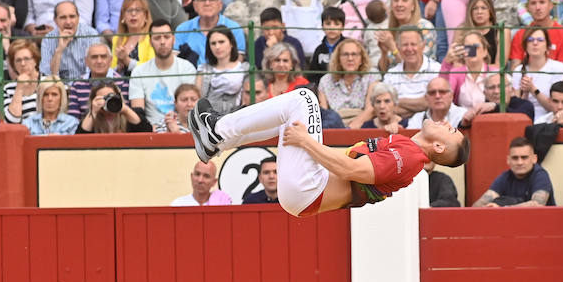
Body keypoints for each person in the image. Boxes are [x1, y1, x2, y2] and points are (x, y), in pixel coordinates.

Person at [188, 86, 468, 215]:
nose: (447, 123)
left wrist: (308, 142)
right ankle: (218, 138)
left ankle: (217, 132)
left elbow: (351, 169)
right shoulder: (407, 150)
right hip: (309, 192)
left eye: (451, 130)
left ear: (440, 146)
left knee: (305, 98)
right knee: (292, 116)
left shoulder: (409, 158)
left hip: (311, 189)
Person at [128, 18, 198, 129]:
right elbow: (138, 112)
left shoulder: (187, 68)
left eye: (166, 37)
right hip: (151, 130)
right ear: (150, 42)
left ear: (173, 39)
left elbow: (190, 107)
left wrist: (175, 127)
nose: (162, 42)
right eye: (157, 38)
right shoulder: (139, 71)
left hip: (182, 128)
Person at [472, 136, 553, 207]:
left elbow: (538, 205)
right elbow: (478, 205)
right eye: (515, 158)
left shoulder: (540, 175)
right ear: (508, 160)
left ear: (534, 159)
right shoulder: (505, 177)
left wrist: (502, 208)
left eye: (524, 157)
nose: (519, 162)